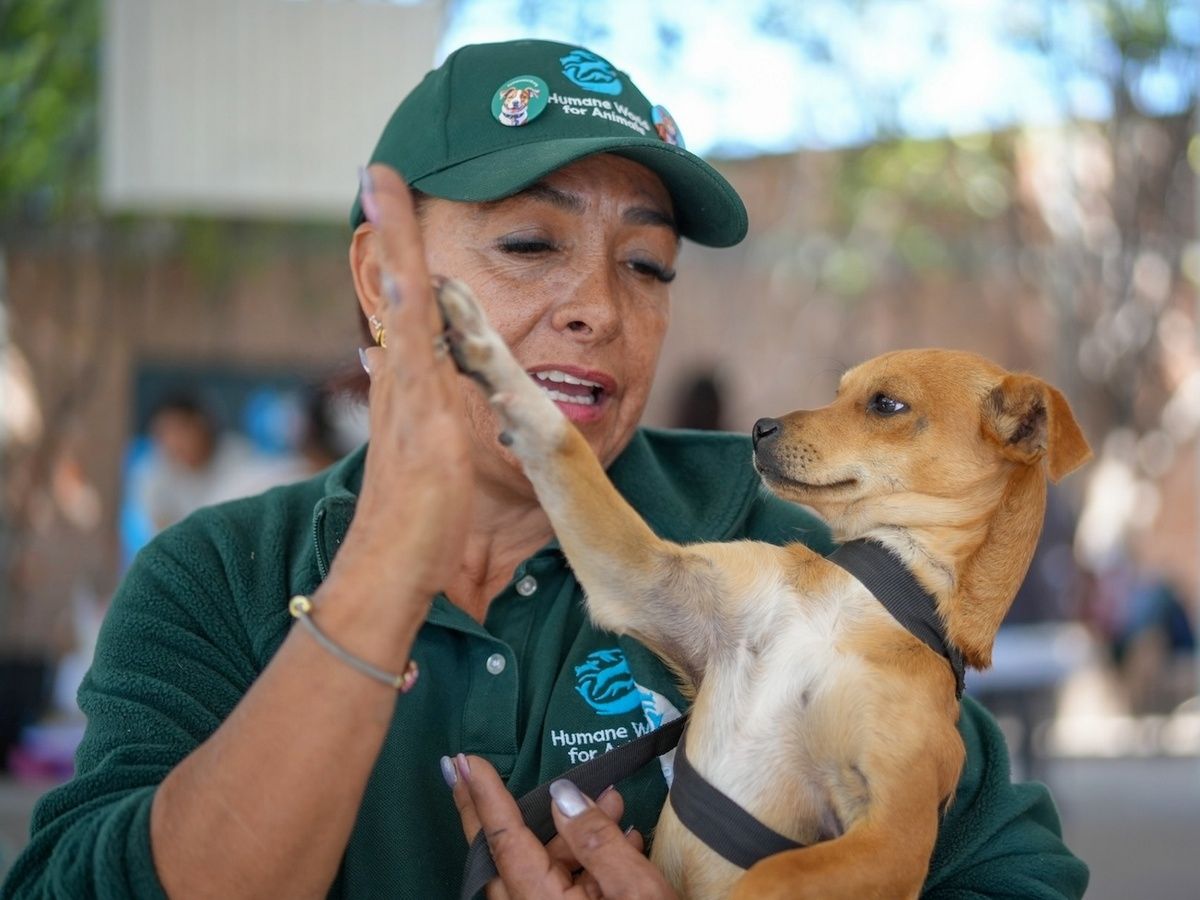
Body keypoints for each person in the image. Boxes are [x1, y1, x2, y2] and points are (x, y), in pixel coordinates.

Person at [1, 39, 1088, 899]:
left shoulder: (785, 541)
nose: (600, 309)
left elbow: (1013, 877)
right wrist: (382, 567)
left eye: (648, 265)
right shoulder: (221, 577)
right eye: (529, 246)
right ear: (384, 277)